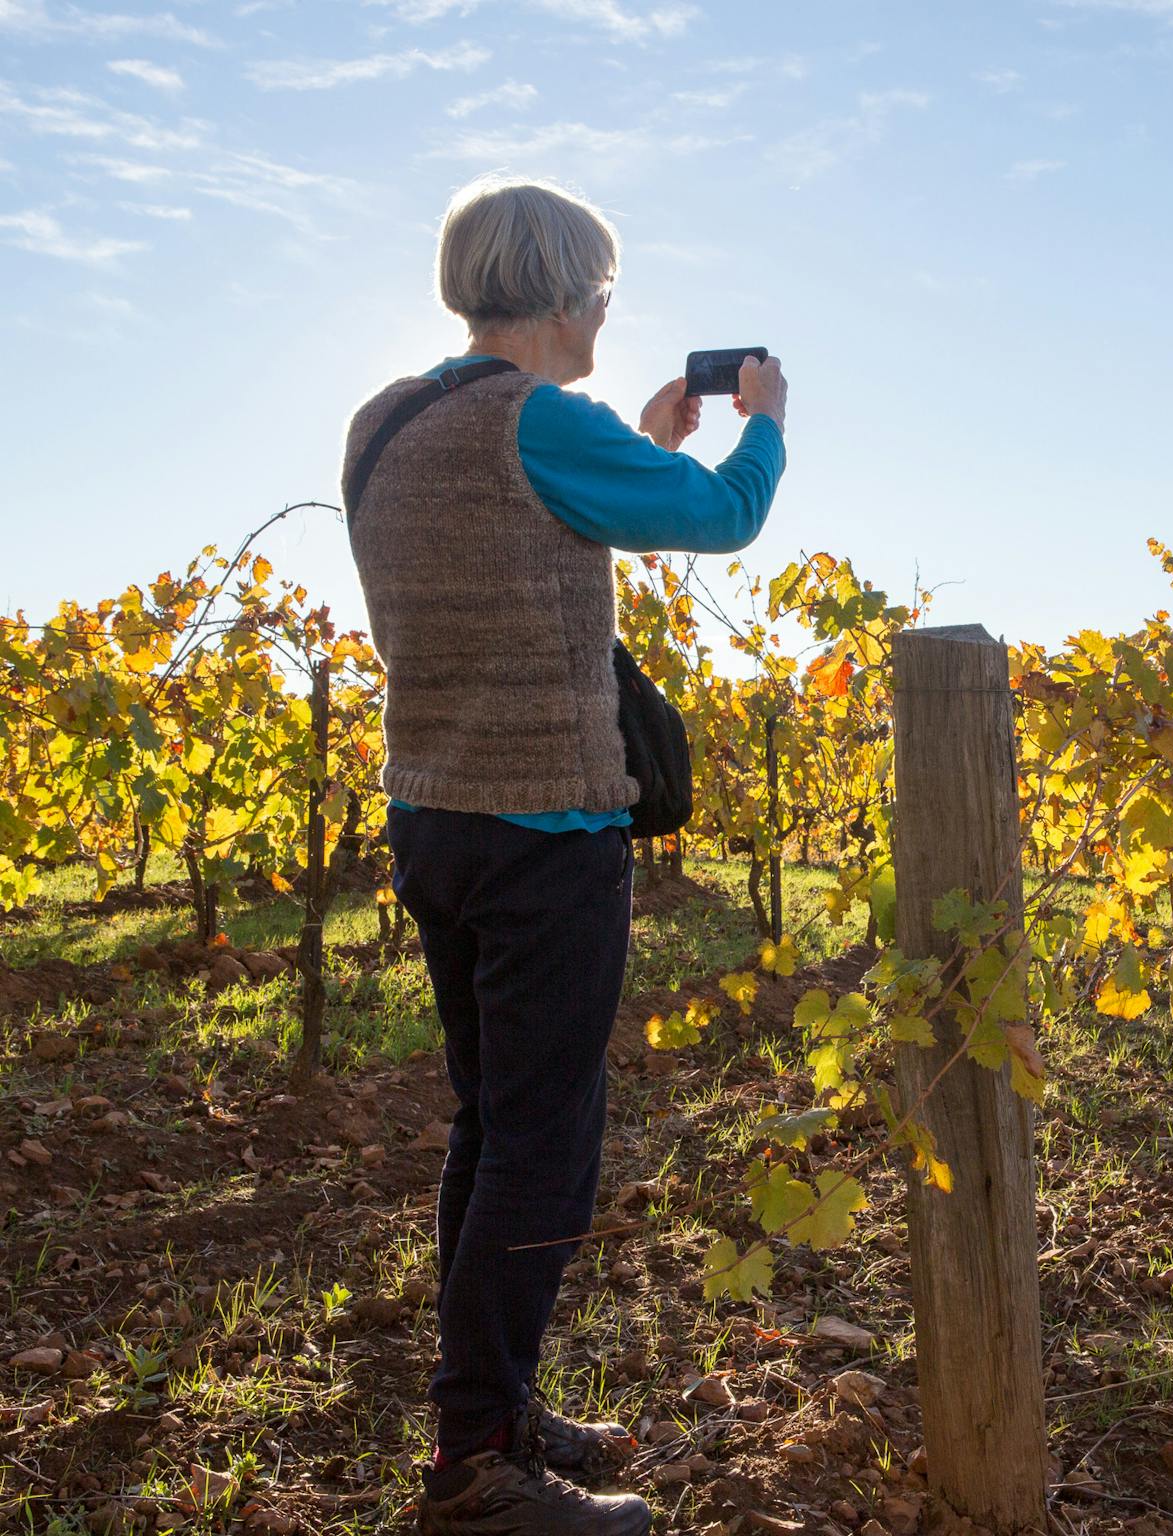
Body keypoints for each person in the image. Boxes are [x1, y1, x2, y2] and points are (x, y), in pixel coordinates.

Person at [341, 176, 788, 1535]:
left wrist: (639, 437)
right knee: (544, 1149)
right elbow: (723, 520)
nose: (606, 311)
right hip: (545, 835)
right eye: (600, 289)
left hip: (435, 818)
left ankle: (493, 1408)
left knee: (491, 1129)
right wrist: (760, 430)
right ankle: (476, 1469)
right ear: (556, 295)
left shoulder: (394, 419)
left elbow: (511, 556)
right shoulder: (540, 422)